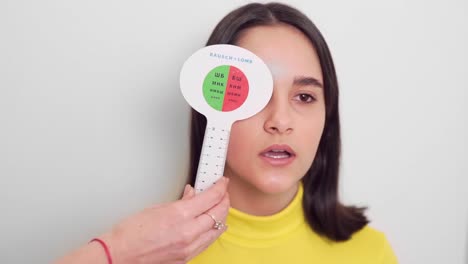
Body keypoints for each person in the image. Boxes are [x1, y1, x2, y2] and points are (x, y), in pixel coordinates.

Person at [56, 2, 398, 264]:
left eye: (305, 97)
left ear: (327, 118)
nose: (280, 120)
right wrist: (118, 250)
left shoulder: (371, 252)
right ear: (211, 110)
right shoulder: (152, 253)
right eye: (257, 95)